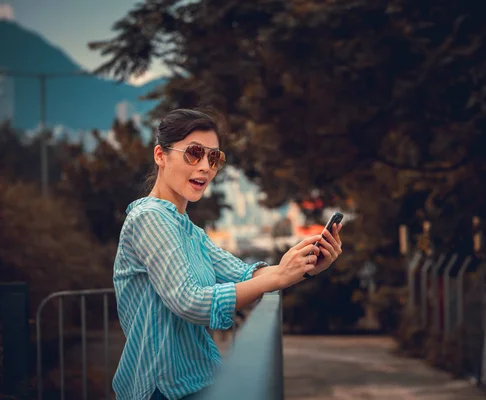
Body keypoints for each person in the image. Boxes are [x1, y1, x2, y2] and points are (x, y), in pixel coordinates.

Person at [112, 108, 343, 400]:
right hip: (162, 389)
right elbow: (189, 301)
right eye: (193, 153)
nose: (206, 167)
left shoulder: (189, 231)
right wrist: (280, 276)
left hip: (198, 382)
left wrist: (306, 266)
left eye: (214, 158)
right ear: (161, 155)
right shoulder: (149, 217)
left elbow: (246, 274)